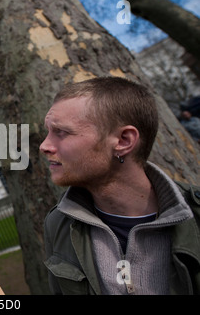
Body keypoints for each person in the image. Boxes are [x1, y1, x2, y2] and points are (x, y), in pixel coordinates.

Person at [40, 77, 200, 295]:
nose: (44, 146)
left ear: (124, 141)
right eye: (48, 132)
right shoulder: (59, 224)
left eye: (62, 132)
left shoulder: (195, 217)